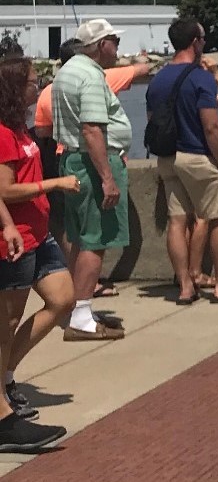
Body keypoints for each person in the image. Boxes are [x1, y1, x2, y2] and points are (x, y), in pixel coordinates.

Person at [146, 18, 218, 306]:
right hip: (197, 156)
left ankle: (184, 285)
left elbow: (152, 123)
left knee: (176, 221)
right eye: (203, 38)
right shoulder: (200, 77)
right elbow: (211, 127)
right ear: (195, 42)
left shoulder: (157, 80)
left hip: (167, 158)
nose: (204, 43)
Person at [0, 56, 72, 451]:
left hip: (39, 235)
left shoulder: (19, 128)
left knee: (63, 300)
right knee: (6, 322)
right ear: (14, 88)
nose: (37, 85)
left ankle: (7, 374)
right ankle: (2, 406)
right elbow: (4, 190)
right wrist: (53, 183)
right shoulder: (3, 133)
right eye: (32, 81)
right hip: (18, 238)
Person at [50, 20, 130, 341]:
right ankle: (82, 315)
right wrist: (107, 178)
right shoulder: (91, 76)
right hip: (92, 162)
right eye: (113, 41)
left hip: (71, 160)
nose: (117, 47)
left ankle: (75, 309)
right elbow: (92, 129)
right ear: (100, 45)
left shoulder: (66, 71)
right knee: (96, 239)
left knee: (80, 235)